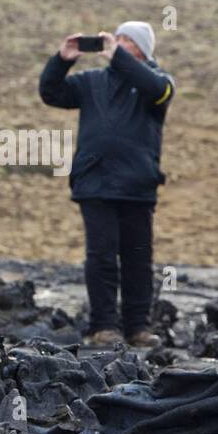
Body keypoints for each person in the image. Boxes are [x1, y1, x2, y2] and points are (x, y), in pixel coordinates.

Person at [39, 22, 175, 346]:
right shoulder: (92, 82)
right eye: (118, 38)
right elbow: (50, 93)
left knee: (138, 258)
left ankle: (138, 327)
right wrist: (62, 58)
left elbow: (156, 89)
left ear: (143, 49)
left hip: (138, 186)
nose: (118, 43)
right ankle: (103, 327)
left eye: (128, 40)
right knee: (100, 257)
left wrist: (118, 57)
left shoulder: (158, 84)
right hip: (95, 182)